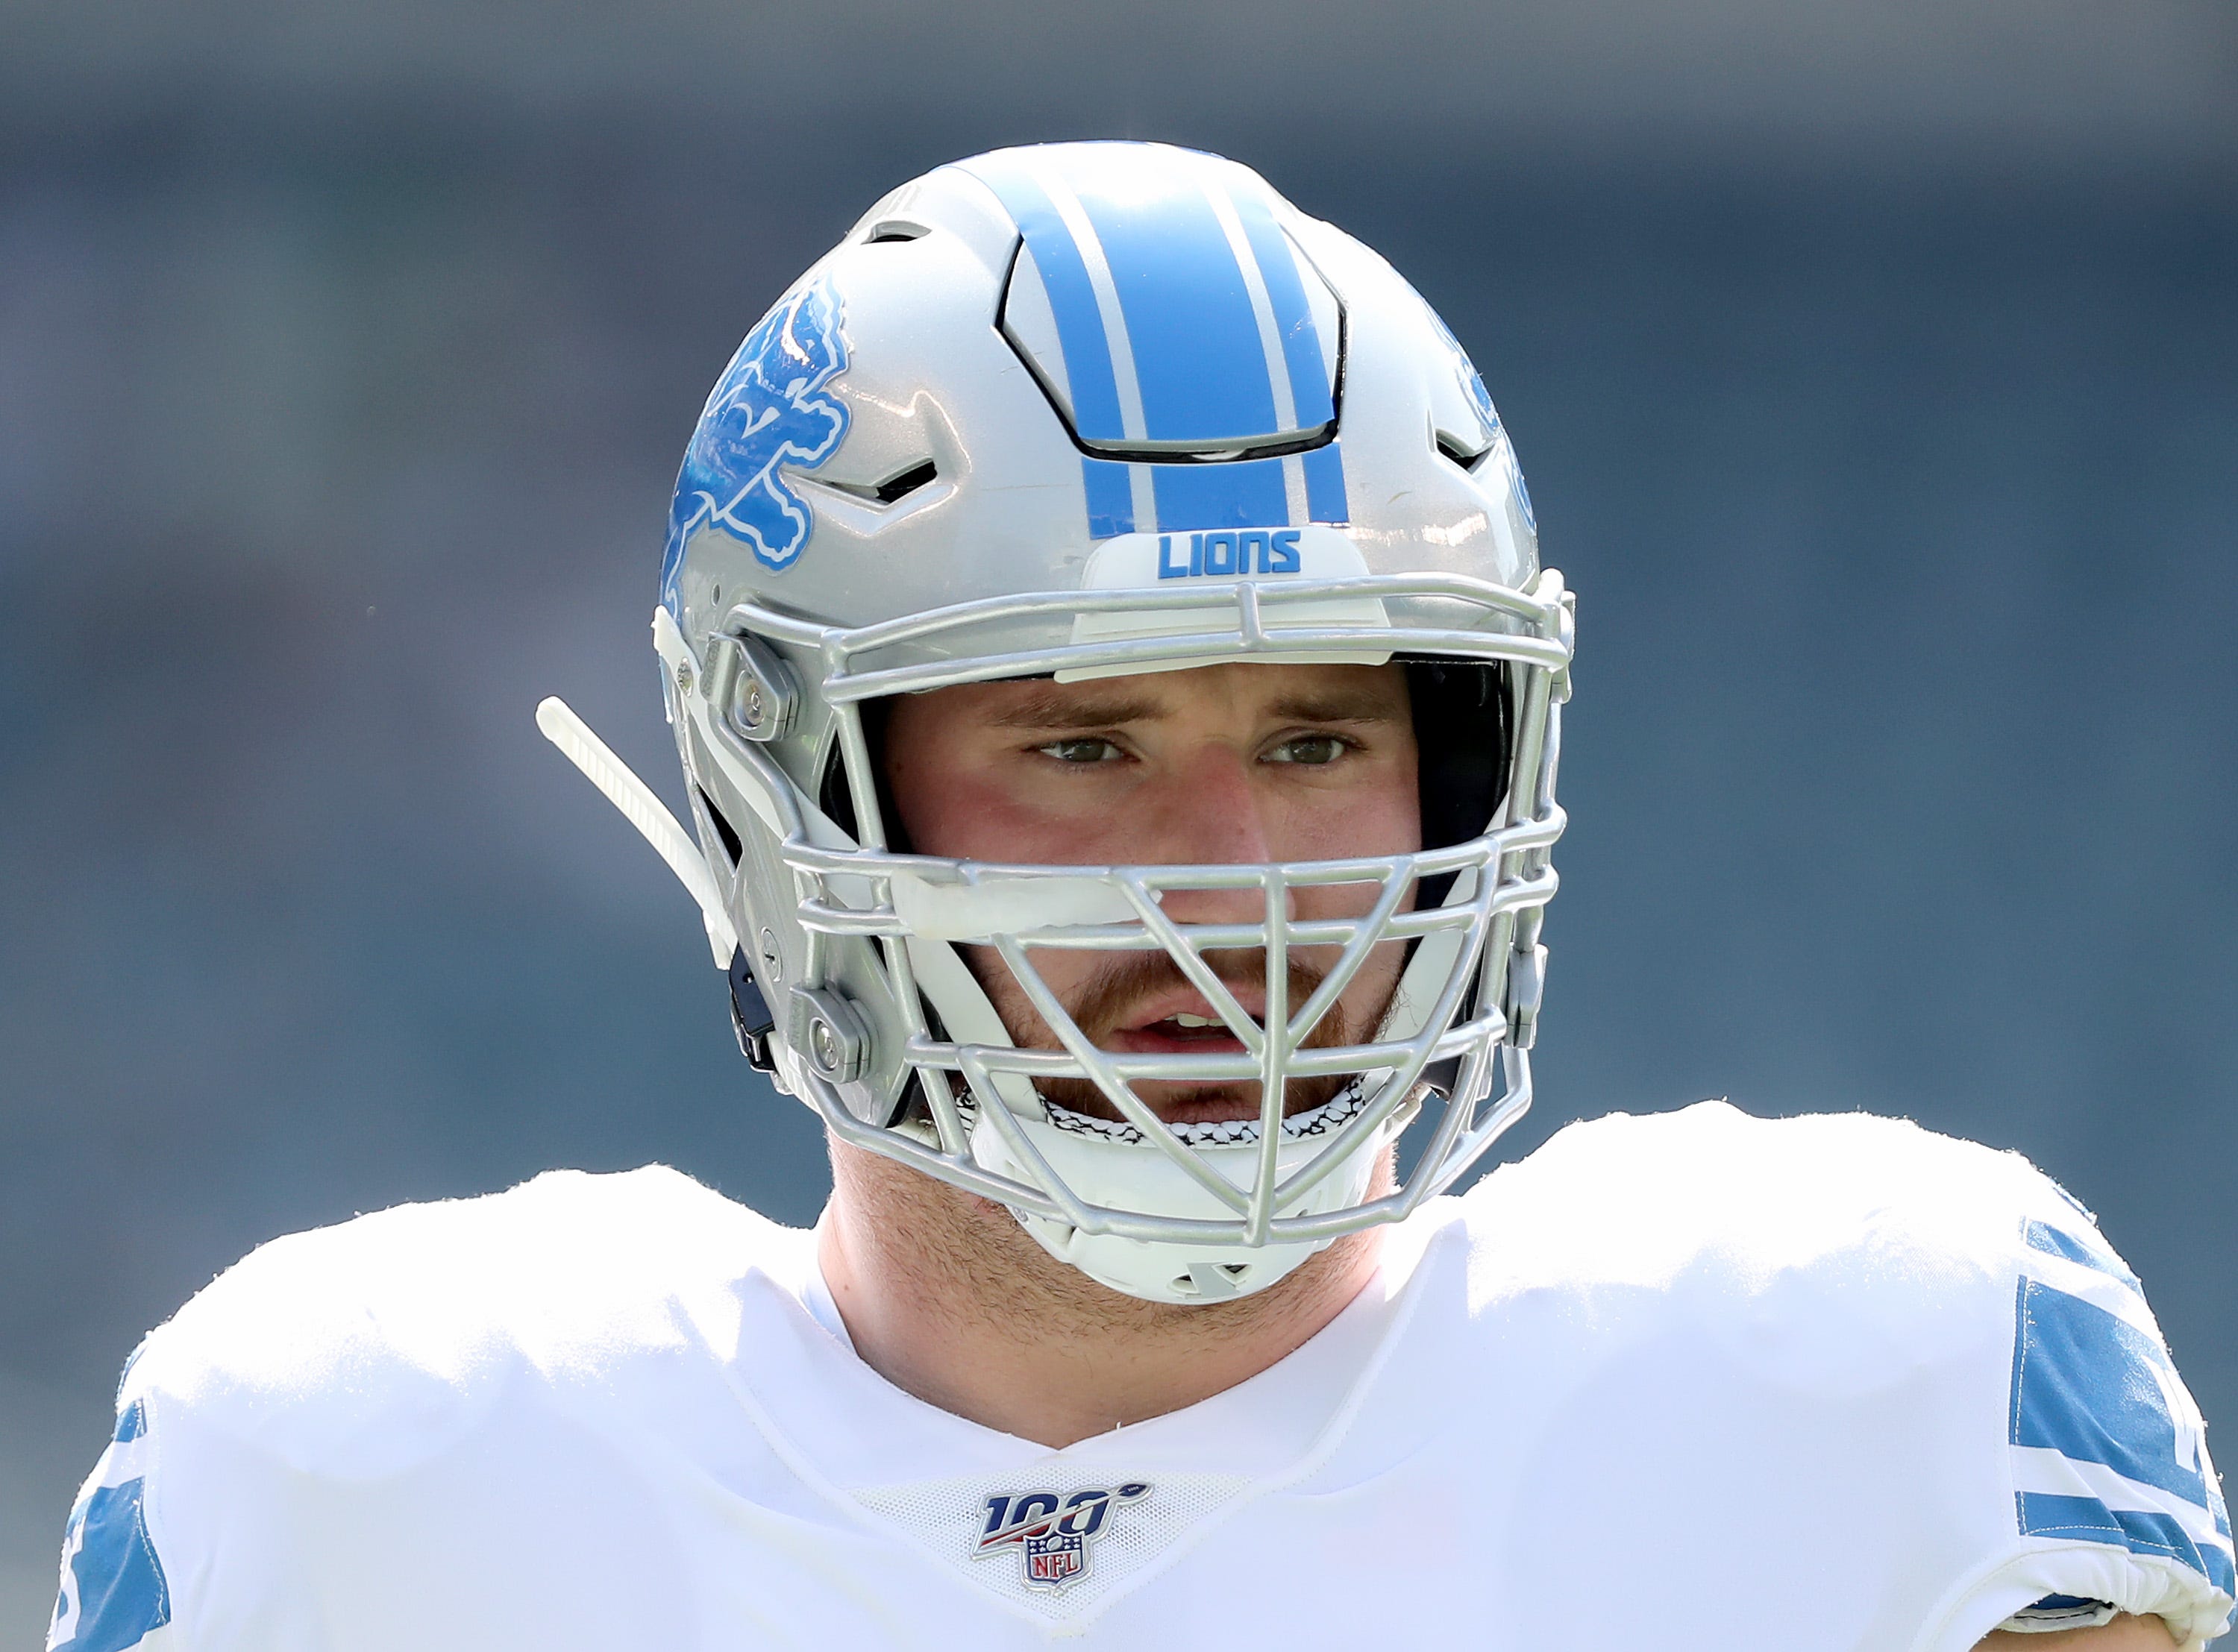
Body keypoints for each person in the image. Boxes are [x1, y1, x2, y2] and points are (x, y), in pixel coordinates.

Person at [49, 142, 2231, 1652]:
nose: (1238, 872)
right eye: (1082, 747)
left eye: (1317, 740)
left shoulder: (1873, 1379)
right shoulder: (361, 1480)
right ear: (784, 799)